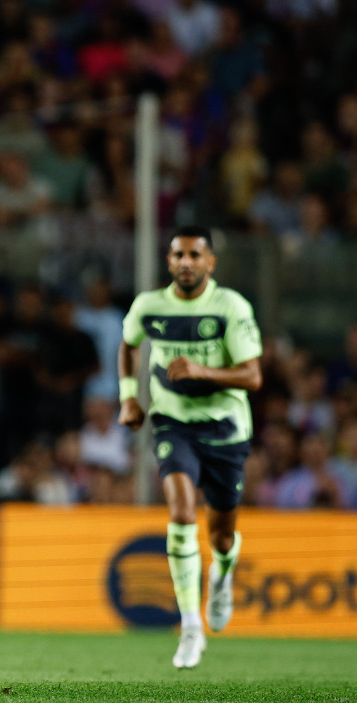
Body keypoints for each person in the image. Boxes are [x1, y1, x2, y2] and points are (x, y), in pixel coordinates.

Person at [118, 225, 263, 669]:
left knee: (221, 535)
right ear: (169, 262)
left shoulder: (229, 307)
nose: (186, 262)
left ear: (210, 263)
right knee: (181, 513)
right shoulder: (149, 305)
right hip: (172, 424)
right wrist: (128, 396)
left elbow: (252, 376)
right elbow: (128, 344)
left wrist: (202, 370)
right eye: (178, 255)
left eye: (195, 256)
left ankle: (222, 572)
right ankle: (190, 627)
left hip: (225, 430)